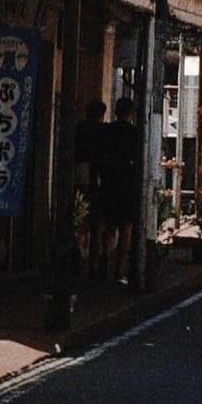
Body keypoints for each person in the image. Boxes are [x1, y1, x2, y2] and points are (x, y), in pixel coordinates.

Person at [98, 97, 139, 282]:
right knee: (125, 228)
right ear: (130, 113)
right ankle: (119, 269)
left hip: (108, 182)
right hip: (127, 184)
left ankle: (104, 261)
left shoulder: (107, 131)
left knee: (109, 226)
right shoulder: (134, 133)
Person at [73, 100, 107, 276]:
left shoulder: (78, 129)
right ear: (102, 115)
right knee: (96, 225)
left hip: (78, 175)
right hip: (96, 178)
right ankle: (93, 264)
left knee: (79, 221)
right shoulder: (103, 131)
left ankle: (77, 257)